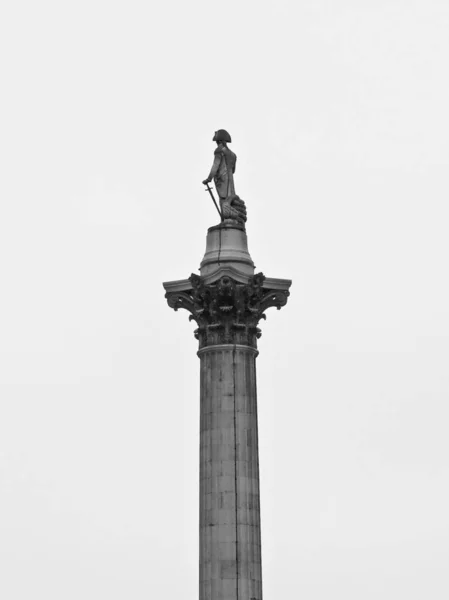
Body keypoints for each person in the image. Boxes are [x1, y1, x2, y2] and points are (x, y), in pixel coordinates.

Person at [202, 129, 237, 202]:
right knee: (230, 201)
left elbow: (215, 166)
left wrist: (209, 179)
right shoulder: (233, 155)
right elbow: (233, 170)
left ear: (220, 141)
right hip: (231, 185)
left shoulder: (219, 150)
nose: (216, 143)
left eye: (217, 141)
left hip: (222, 183)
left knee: (223, 203)